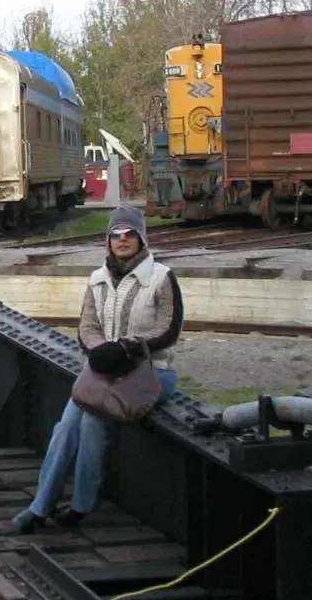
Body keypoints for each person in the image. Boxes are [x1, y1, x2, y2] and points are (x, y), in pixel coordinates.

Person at [11, 205, 184, 531]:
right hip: (106, 370)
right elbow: (87, 326)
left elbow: (169, 328)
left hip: (151, 372)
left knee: (93, 419)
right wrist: (99, 351)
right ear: (108, 240)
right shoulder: (97, 280)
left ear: (141, 237)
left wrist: (129, 347)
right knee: (66, 425)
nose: (122, 240)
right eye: (115, 235)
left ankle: (80, 506)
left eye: (129, 233)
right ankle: (40, 506)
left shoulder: (161, 277)